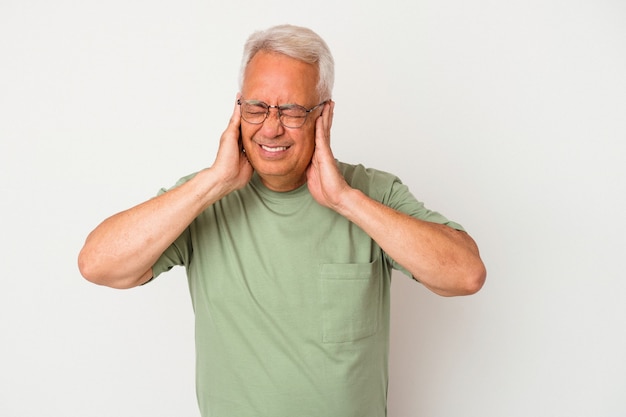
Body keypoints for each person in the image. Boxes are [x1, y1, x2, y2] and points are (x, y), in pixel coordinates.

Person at [78, 24, 486, 417]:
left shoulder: (371, 193)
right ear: (238, 109)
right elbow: (98, 265)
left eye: (291, 110)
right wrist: (213, 182)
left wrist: (345, 200)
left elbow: (465, 275)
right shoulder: (204, 197)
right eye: (256, 108)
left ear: (323, 114)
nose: (271, 128)